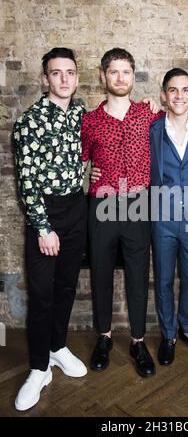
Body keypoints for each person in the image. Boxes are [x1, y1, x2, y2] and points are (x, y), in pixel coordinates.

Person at [81, 48, 164, 378]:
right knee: (100, 271)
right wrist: (85, 175)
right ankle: (104, 337)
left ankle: (138, 341)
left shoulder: (148, 114)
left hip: (137, 203)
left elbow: (183, 113)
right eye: (113, 71)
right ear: (103, 76)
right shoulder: (89, 120)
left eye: (125, 72)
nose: (119, 78)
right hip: (101, 204)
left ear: (133, 76)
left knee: (137, 274)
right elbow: (78, 162)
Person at [13, 47, 87, 411]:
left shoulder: (80, 112)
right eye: (56, 73)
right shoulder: (29, 121)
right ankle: (38, 368)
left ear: (76, 77)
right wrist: (42, 228)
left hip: (77, 208)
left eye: (69, 72)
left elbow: (89, 153)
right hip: (45, 212)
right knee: (42, 295)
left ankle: (57, 347)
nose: (63, 79)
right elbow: (26, 181)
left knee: (67, 286)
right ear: (45, 79)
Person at [150, 68, 188, 365]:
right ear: (164, 94)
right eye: (173, 90)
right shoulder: (151, 128)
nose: (179, 95)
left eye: (185, 90)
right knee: (163, 280)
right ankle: (169, 334)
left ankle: (187, 328)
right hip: (161, 217)